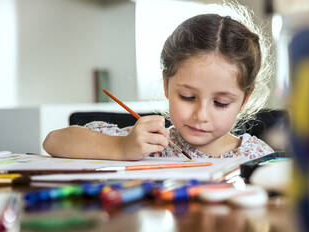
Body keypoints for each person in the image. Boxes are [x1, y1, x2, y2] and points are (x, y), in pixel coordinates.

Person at [43, 13, 274, 161]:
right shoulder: (151, 143)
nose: (201, 115)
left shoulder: (257, 157)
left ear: (245, 99)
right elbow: (53, 141)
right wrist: (122, 147)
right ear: (166, 84)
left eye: (220, 103)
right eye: (187, 97)